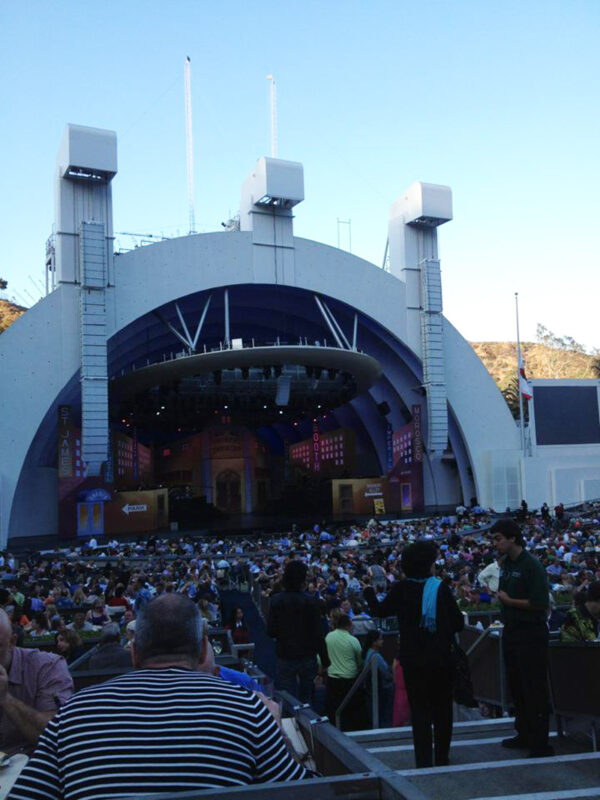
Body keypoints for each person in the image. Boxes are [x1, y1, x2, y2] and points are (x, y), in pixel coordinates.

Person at [9, 594, 306, 800]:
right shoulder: (247, 708)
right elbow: (307, 791)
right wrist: (275, 727)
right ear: (204, 651)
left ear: (134, 653)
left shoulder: (74, 714)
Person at [364, 541, 464, 768]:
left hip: (412, 659)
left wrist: (368, 590)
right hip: (440, 659)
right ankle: (442, 756)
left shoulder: (401, 589)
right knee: (442, 708)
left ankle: (423, 760)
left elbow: (380, 611)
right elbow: (457, 623)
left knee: (419, 711)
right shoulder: (439, 588)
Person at [491, 519, 553, 758]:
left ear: (512, 538)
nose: (495, 544)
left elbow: (539, 602)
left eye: (498, 538)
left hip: (530, 632)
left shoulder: (531, 565)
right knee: (517, 684)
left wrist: (509, 601)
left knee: (533, 687)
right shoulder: (506, 563)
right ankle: (524, 733)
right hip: (513, 631)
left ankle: (540, 741)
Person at [0, 609, 73, 753]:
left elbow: (56, 735)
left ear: (12, 641)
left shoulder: (47, 666)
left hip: (28, 765)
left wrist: (5, 698)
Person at [267, 560, 329, 704]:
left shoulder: (276, 600)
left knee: (288, 698)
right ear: (302, 579)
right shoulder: (312, 602)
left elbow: (271, 631)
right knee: (307, 699)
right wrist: (325, 660)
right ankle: (306, 725)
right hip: (307, 657)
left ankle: (290, 724)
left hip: (285, 655)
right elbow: (318, 634)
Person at [325, 614, 365, 731]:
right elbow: (359, 660)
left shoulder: (328, 637)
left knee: (334, 708)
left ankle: (334, 729)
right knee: (350, 709)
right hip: (350, 678)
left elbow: (321, 657)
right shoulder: (353, 640)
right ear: (349, 625)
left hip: (332, 678)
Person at [362, 629, 394, 728]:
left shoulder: (368, 653)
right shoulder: (376, 656)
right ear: (374, 642)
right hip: (381, 689)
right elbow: (386, 673)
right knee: (385, 717)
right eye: (380, 639)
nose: (382, 641)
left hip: (371, 689)